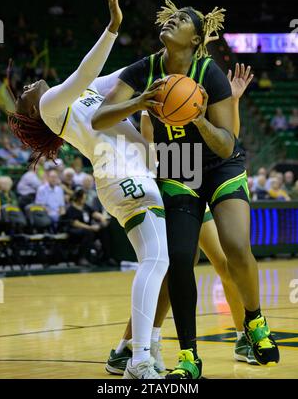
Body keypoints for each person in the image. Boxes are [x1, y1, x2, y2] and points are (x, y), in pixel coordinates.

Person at [91, 0, 279, 377]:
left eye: (181, 20)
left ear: (195, 40)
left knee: (236, 246)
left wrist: (198, 120)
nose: (172, 20)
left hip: (219, 163)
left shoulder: (210, 72)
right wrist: (140, 102)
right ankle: (189, 357)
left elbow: (227, 142)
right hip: (179, 166)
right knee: (178, 260)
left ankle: (255, 322)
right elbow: (98, 118)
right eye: (170, 17)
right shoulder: (145, 69)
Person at [8, 0, 169, 379]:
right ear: (33, 113)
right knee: (157, 260)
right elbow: (85, 72)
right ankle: (140, 360)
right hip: (120, 178)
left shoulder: (89, 96)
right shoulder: (51, 108)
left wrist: (175, 52)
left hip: (140, 171)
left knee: (167, 261)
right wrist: (113, 28)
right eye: (24, 93)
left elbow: (127, 73)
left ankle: (124, 352)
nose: (30, 86)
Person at [105, 64, 258, 377]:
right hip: (172, 179)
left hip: (195, 175)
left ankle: (244, 336)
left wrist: (233, 102)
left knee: (222, 261)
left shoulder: (197, 95)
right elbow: (151, 151)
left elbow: (229, 141)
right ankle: (131, 346)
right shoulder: (157, 102)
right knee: (173, 266)